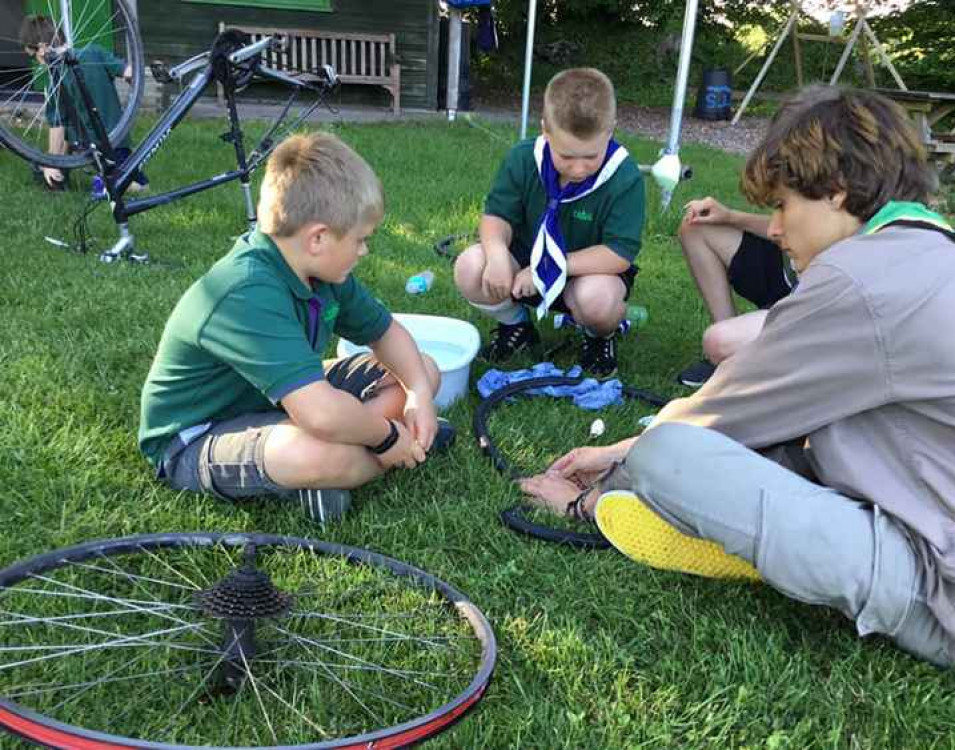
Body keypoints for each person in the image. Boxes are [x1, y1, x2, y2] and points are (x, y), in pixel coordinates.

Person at [519, 85, 955, 681]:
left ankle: (713, 531)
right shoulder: (954, 250)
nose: (772, 228)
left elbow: (718, 416)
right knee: (794, 441)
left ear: (838, 192)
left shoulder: (856, 279)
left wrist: (595, 488)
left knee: (668, 454)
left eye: (783, 205)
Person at [139, 132, 448, 526]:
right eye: (361, 240)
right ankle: (376, 456)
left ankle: (365, 455)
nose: (364, 251)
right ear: (318, 238)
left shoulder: (325, 272)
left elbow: (386, 333)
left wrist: (419, 396)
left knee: (423, 369)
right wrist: (387, 437)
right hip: (196, 436)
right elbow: (320, 414)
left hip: (283, 400)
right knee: (323, 452)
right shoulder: (246, 289)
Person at [453, 67, 645, 379]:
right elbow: (496, 217)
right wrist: (499, 255)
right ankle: (517, 325)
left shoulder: (624, 176)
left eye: (591, 156)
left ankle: (599, 338)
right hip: (522, 270)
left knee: (599, 300)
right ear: (545, 130)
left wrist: (549, 266)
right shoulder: (523, 158)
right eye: (566, 156)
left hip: (585, 276)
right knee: (470, 266)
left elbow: (619, 252)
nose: (579, 169)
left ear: (610, 130)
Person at [19, 14, 147, 192]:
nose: (38, 64)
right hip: (118, 139)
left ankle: (102, 181)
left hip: (88, 148)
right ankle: (126, 180)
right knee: (140, 183)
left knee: (43, 166)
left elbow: (58, 126)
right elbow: (129, 72)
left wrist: (50, 163)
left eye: (34, 58)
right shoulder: (94, 51)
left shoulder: (54, 78)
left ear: (42, 49)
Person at [674, 196, 793, 388]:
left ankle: (740, 351)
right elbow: (784, 229)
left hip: (813, 297)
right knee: (695, 227)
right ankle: (726, 356)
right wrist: (728, 217)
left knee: (720, 340)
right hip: (786, 268)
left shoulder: (839, 191)